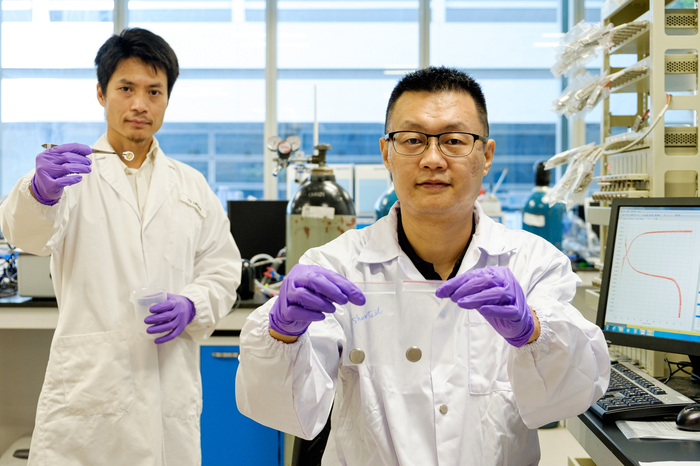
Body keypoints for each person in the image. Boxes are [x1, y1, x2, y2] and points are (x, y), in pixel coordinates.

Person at [235, 66, 610, 466]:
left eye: (453, 140)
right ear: (387, 154)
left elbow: (574, 395)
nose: (432, 159)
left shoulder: (535, 264)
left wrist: (533, 331)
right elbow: (285, 410)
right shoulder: (335, 266)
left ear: (486, 155)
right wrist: (281, 334)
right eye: (412, 140)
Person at [0, 28, 241, 465]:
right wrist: (39, 192)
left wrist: (192, 303)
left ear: (167, 98)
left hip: (169, 384)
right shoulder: (72, 176)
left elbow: (223, 270)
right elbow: (23, 234)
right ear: (100, 92)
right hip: (90, 393)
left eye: (154, 91)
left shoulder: (191, 185)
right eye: (125, 88)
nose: (139, 104)